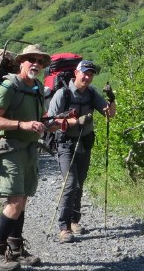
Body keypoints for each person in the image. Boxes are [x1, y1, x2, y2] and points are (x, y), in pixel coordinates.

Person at [0, 44, 57, 271]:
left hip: (28, 149)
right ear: (21, 62)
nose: (36, 64)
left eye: (40, 61)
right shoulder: (8, 86)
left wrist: (47, 125)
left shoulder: (36, 87)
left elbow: (36, 119)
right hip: (10, 151)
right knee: (14, 202)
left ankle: (16, 249)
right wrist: (22, 124)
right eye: (31, 60)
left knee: (22, 200)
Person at [46, 59, 116, 243]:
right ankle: (64, 227)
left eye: (91, 74)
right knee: (70, 183)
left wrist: (111, 98)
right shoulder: (63, 94)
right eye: (84, 73)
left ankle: (75, 220)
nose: (87, 77)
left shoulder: (92, 93)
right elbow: (51, 123)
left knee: (80, 183)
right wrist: (77, 122)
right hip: (65, 143)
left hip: (85, 142)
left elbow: (110, 114)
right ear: (76, 73)